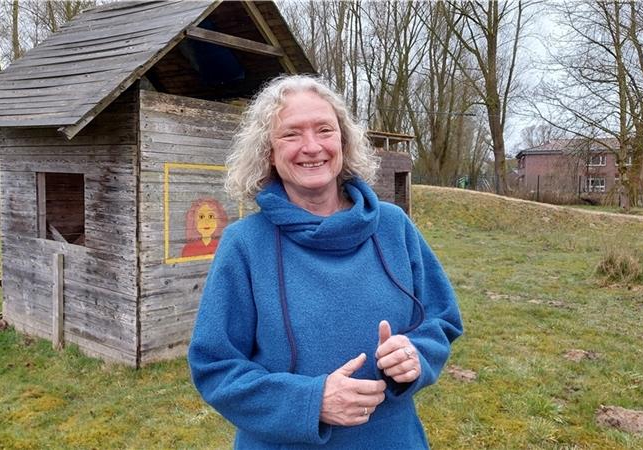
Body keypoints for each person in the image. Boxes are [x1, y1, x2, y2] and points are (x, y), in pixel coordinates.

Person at [187, 75, 463, 449]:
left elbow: (441, 320)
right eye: (291, 134)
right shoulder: (244, 244)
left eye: (324, 130)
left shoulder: (394, 226)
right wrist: (311, 402)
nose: (311, 146)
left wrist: (416, 355)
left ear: (344, 142)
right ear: (268, 151)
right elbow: (214, 367)